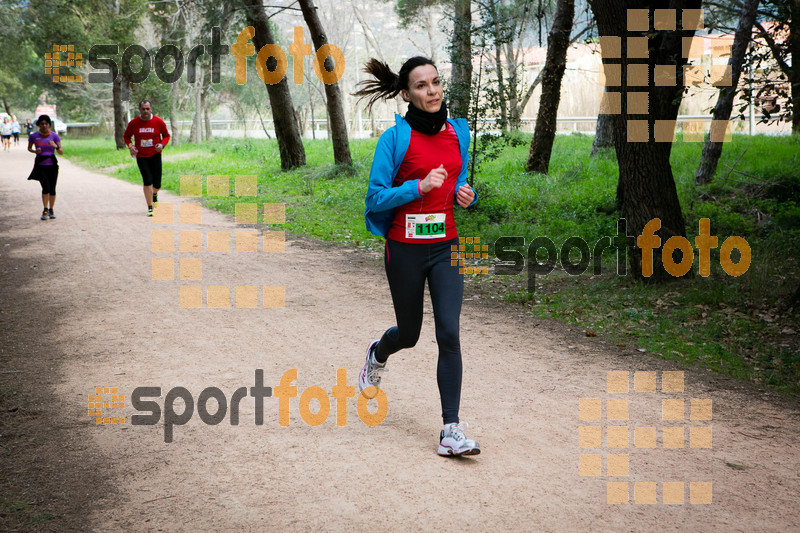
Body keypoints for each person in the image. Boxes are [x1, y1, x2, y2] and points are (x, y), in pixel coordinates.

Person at [353, 57, 480, 457]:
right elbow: (375, 198)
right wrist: (417, 187)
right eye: (422, 86)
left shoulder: (459, 131)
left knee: (449, 333)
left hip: (447, 247)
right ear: (407, 94)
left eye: (436, 83)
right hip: (405, 248)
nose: (433, 91)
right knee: (409, 334)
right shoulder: (395, 138)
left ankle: (450, 429)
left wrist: (465, 194)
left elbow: (457, 181)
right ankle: (378, 352)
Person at [123, 100, 170, 216]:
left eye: (147, 109)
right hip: (141, 156)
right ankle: (150, 207)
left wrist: (162, 145)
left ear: (151, 109)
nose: (145, 111)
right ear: (139, 110)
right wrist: (131, 146)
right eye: (143, 109)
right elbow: (127, 136)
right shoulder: (133, 123)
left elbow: (166, 136)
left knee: (157, 184)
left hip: (155, 155)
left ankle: (154, 194)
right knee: (147, 180)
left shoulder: (158, 122)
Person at [27, 115, 63, 220]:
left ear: (49, 125)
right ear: (39, 125)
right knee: (45, 187)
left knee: (52, 188)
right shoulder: (34, 136)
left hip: (52, 165)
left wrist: (55, 146)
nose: (44, 126)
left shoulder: (54, 136)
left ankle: (51, 209)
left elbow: (61, 152)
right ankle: (45, 209)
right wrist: (35, 151)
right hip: (40, 165)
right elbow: (29, 148)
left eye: (46, 124)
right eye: (42, 124)